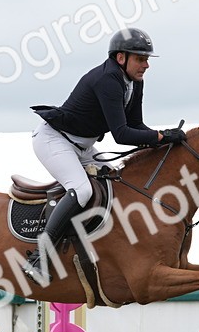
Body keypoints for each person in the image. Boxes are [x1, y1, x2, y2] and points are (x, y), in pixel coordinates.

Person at [23, 27, 184, 281]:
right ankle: (39, 257)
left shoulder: (134, 81)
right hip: (54, 140)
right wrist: (160, 136)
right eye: (141, 59)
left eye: (147, 59)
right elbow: (121, 134)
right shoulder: (108, 80)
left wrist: (163, 138)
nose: (146, 65)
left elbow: (137, 126)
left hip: (82, 146)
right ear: (121, 58)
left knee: (116, 178)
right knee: (83, 190)